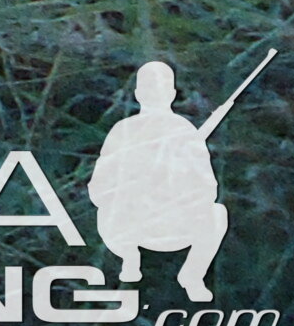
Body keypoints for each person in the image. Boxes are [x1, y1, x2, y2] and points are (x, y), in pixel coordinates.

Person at [90, 61, 231, 301]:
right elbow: (99, 186)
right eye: (149, 88)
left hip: (175, 222)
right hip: (131, 223)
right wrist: (133, 187)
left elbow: (209, 187)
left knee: (217, 214)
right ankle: (129, 259)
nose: (155, 94)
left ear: (172, 94)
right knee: (108, 213)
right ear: (138, 94)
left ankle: (193, 275)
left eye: (162, 88)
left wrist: (179, 183)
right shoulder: (124, 131)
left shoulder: (184, 132)